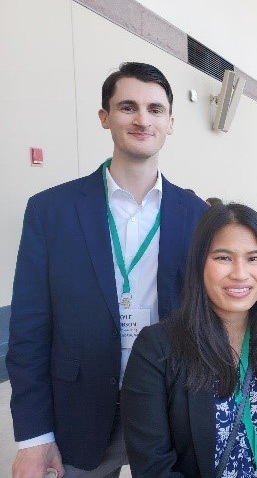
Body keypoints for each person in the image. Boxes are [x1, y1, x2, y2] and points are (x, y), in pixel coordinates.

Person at [7, 62, 207, 476]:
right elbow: (28, 330)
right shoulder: (51, 211)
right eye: (127, 107)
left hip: (172, 409)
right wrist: (33, 436)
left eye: (155, 109)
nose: (141, 119)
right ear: (105, 117)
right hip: (79, 413)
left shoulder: (198, 216)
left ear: (171, 122)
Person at [121, 203, 257, 476]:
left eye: (254, 258)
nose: (240, 274)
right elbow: (153, 466)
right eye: (223, 258)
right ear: (199, 263)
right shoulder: (156, 350)